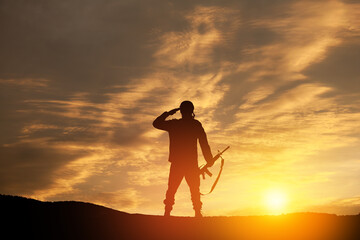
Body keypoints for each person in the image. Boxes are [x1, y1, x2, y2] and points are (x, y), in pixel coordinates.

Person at [153, 100, 214, 217]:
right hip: (190, 163)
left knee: (173, 189)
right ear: (192, 111)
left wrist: (168, 113)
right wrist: (209, 159)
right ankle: (197, 213)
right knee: (193, 190)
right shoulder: (195, 124)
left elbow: (156, 123)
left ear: (181, 111)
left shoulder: (175, 124)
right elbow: (204, 143)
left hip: (178, 163)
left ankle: (167, 213)